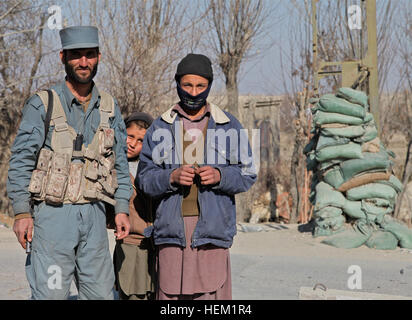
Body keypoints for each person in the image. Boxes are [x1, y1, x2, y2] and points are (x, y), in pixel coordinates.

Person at [7, 26, 131, 300]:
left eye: (89, 55)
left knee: (101, 295)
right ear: (63, 56)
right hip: (52, 218)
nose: (83, 63)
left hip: (95, 218)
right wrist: (21, 212)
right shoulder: (43, 104)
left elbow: (120, 163)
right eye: (76, 55)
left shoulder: (109, 107)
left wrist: (121, 208)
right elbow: (21, 160)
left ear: (99, 56)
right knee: (51, 294)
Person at [137, 53, 257, 300]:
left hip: (212, 232)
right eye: (187, 85)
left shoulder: (228, 125)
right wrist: (171, 177)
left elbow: (247, 173)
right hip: (172, 232)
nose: (193, 92)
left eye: (200, 86)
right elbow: (145, 178)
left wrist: (220, 175)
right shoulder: (161, 127)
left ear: (210, 86)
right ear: (177, 84)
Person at [109, 112, 156, 300]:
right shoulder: (111, 166)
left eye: (141, 140)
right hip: (128, 243)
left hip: (152, 244)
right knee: (130, 292)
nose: (133, 144)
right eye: (130, 136)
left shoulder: (152, 168)